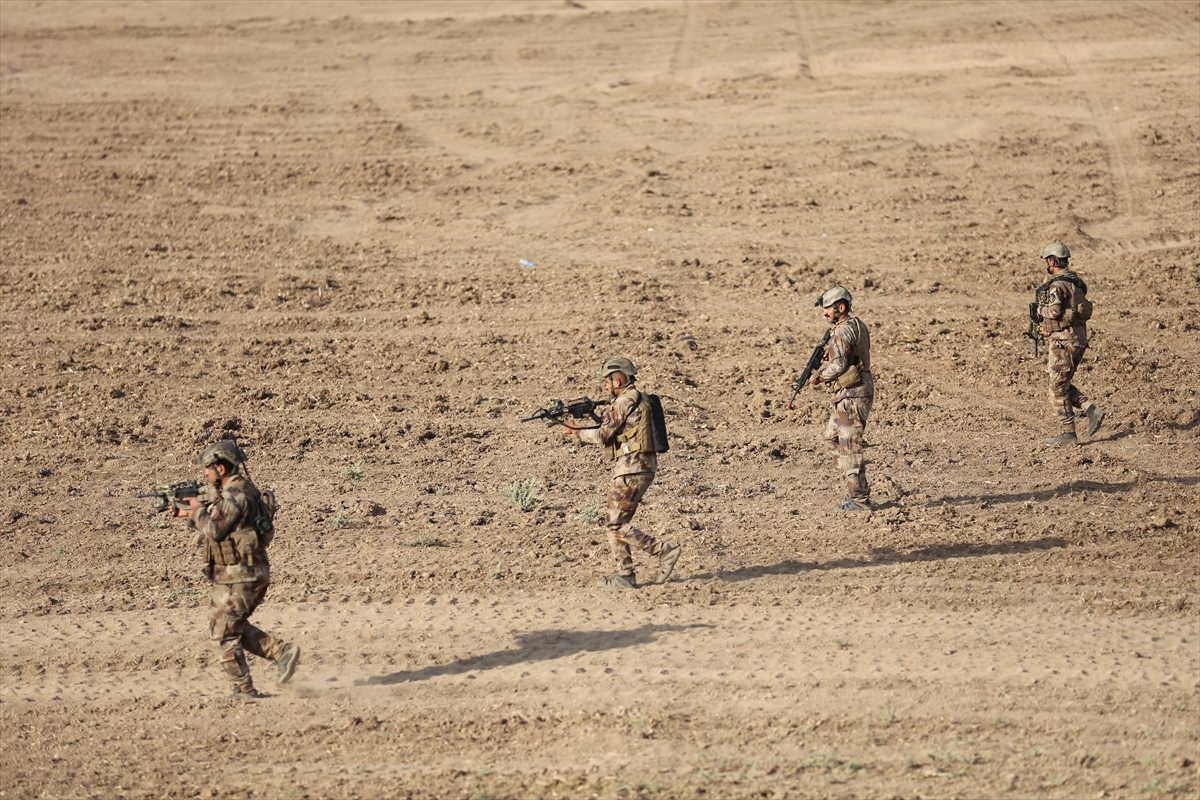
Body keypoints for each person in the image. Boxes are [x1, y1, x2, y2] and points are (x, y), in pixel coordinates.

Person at [170, 440, 299, 698]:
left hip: (243, 574)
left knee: (224, 633)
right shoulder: (233, 494)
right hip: (234, 573)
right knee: (226, 627)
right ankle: (280, 653)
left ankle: (243, 688)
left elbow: (215, 530)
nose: (205, 475)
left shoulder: (235, 495)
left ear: (220, 468)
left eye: (207, 469)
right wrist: (190, 515)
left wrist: (196, 511)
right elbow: (223, 527)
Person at [562, 357, 682, 589]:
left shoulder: (624, 401)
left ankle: (663, 551)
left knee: (615, 523)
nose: (606, 387)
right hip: (639, 466)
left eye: (607, 382)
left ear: (618, 379)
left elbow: (602, 436)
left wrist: (575, 432)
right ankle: (625, 576)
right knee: (615, 522)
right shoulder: (639, 398)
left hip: (632, 467)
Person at [810, 286, 874, 512]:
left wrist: (818, 377)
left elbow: (838, 365)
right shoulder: (855, 325)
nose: (824, 312)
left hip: (853, 395)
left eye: (828, 308)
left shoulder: (842, 331)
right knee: (832, 439)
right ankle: (855, 486)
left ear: (841, 307)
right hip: (851, 392)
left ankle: (859, 499)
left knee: (850, 447)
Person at [1036, 243, 1105, 445]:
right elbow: (1073, 313)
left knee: (1056, 387)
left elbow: (1055, 311)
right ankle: (1090, 409)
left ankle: (1069, 433)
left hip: (1063, 341)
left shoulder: (1057, 285)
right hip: (1079, 339)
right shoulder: (1076, 282)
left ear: (1052, 261)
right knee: (1062, 383)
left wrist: (1041, 311)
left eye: (1047, 261)